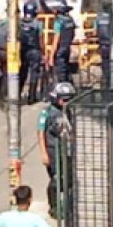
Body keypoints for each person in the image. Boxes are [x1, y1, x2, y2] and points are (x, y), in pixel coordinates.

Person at [39, 82, 74, 219]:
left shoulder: (70, 111)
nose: (66, 102)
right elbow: (40, 132)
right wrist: (44, 153)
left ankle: (68, 206)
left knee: (70, 179)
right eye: (64, 99)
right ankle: (54, 207)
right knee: (56, 179)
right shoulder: (47, 113)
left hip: (68, 150)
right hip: (54, 151)